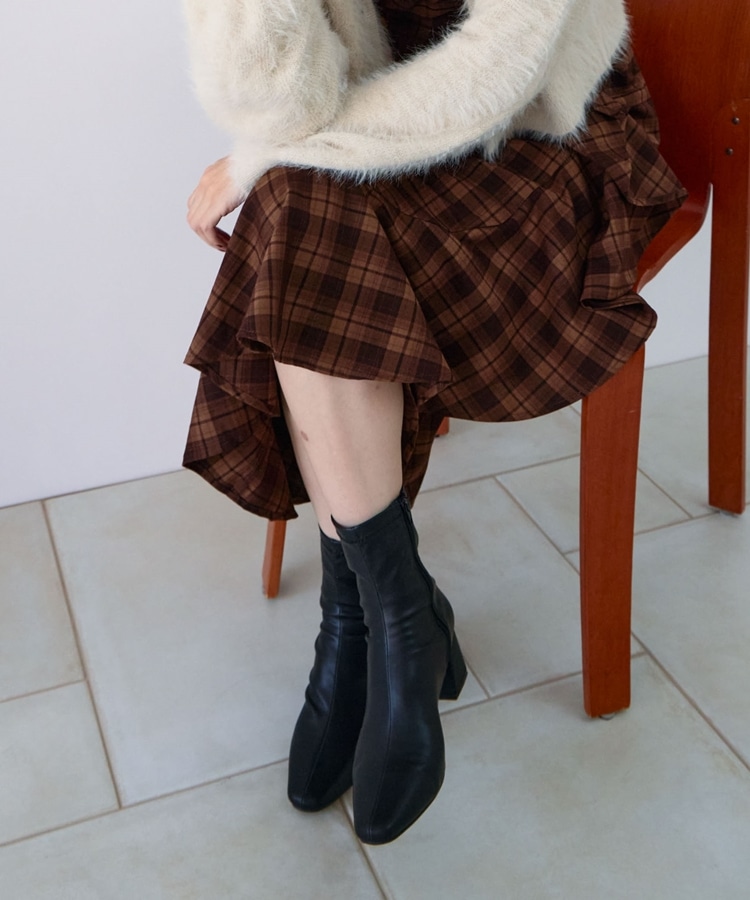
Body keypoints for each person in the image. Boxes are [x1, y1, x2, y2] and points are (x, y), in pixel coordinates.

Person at [181, 0, 686, 844]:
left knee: (293, 209)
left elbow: (490, 79)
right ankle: (384, 617)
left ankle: (378, 628)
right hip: (379, 148)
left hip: (544, 146)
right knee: (298, 210)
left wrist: (264, 156)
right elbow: (283, 100)